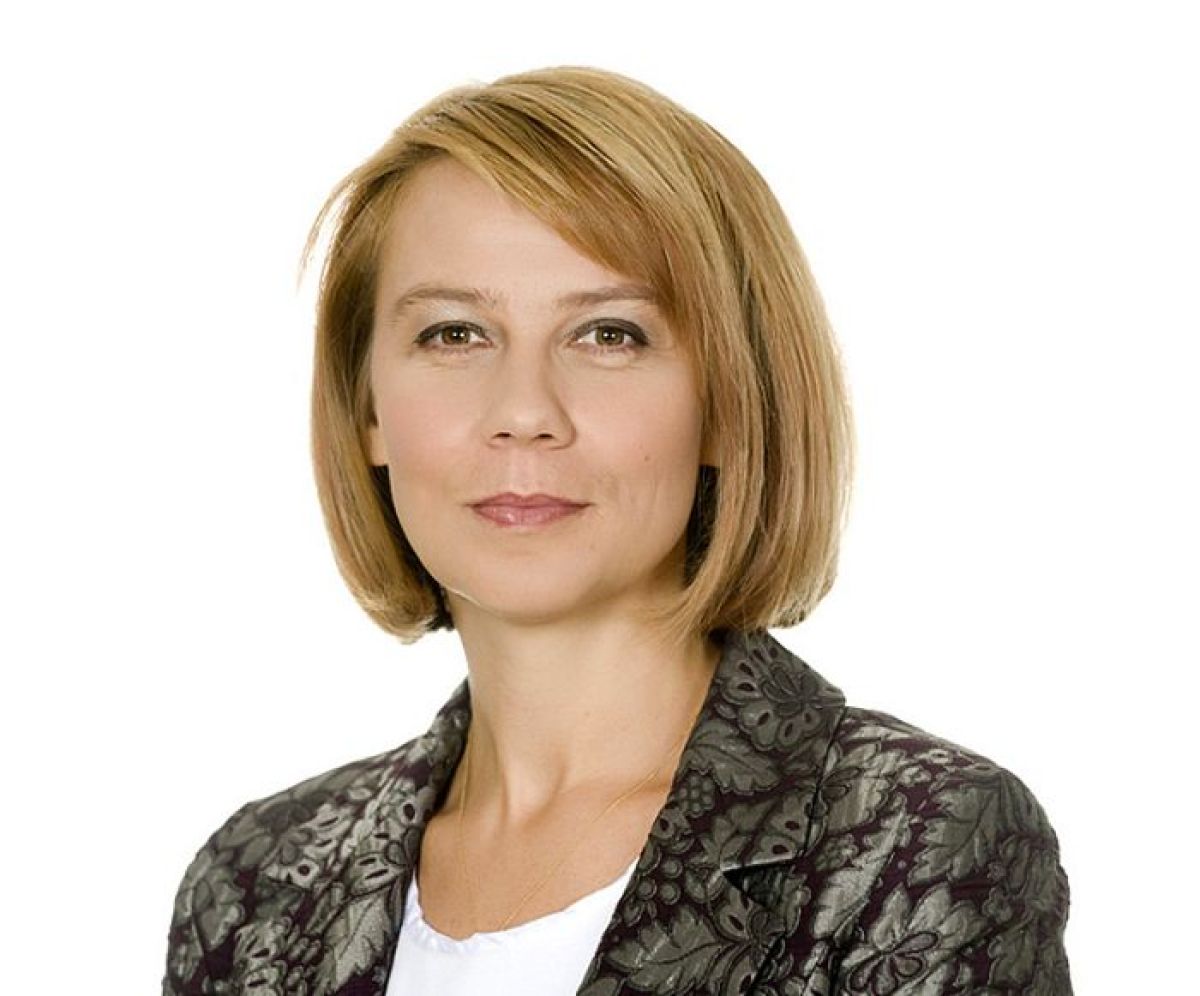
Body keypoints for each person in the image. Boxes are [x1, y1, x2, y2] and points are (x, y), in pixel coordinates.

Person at [162, 66, 1072, 995]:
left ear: (730, 402)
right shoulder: (253, 888)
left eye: (608, 334)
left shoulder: (913, 840)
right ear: (368, 412)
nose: (523, 413)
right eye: (453, 334)